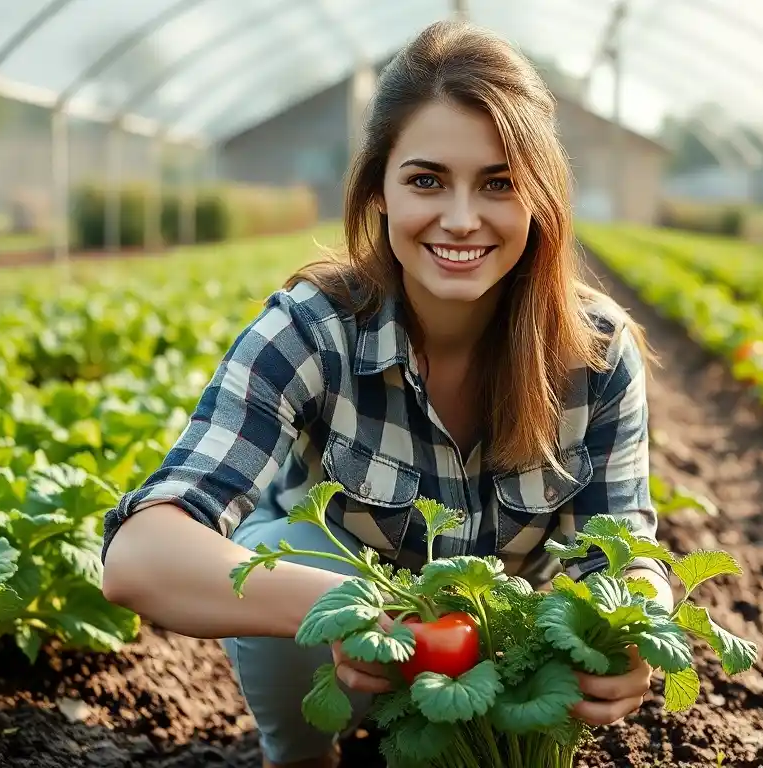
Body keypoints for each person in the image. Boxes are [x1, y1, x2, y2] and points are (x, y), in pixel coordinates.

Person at [99, 17, 672, 768]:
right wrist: (349, 612)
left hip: (505, 682)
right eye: (427, 179)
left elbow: (622, 551)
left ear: (540, 197)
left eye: (498, 183)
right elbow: (138, 556)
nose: (461, 218)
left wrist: (638, 630)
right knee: (273, 547)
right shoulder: (312, 330)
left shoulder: (594, 355)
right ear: (378, 190)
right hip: (346, 664)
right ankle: (301, 757)